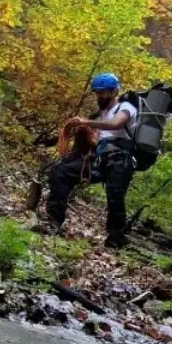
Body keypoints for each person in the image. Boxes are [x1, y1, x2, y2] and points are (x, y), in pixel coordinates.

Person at [45, 72, 139, 248]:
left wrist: (86, 122)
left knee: (115, 197)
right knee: (62, 172)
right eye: (97, 92)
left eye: (103, 92)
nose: (99, 96)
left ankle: (115, 238)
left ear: (113, 92)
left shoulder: (126, 107)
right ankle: (54, 221)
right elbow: (101, 141)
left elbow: (116, 125)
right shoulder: (104, 113)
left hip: (120, 161)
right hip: (100, 160)